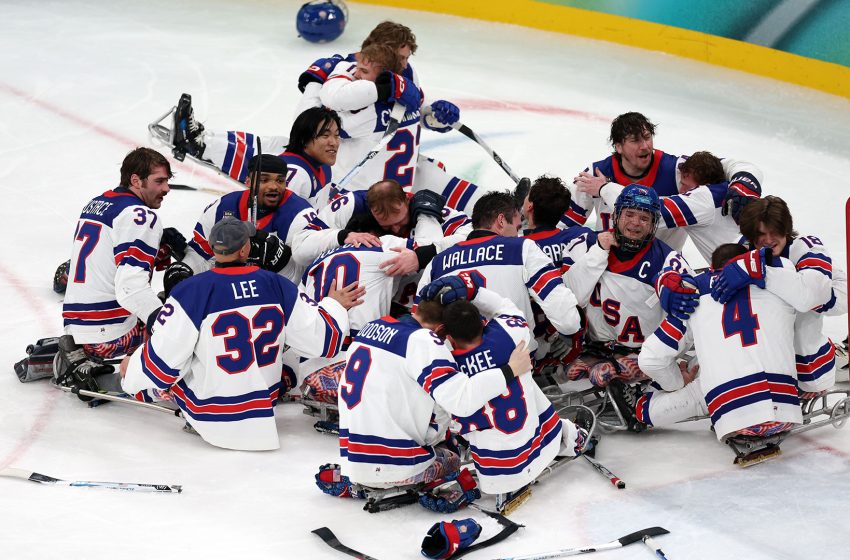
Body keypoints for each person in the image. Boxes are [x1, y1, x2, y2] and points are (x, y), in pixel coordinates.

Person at [120, 216, 365, 451]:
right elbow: (322, 342)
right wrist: (333, 305)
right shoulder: (276, 284)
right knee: (290, 357)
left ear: (214, 249)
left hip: (211, 418)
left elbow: (162, 365)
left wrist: (131, 371)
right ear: (245, 249)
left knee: (169, 357)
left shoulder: (190, 290)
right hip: (263, 416)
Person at [333, 293, 532, 489]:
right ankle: (426, 488)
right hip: (395, 465)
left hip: (352, 460)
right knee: (452, 456)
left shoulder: (374, 325)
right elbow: (461, 401)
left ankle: (356, 481)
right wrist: (510, 370)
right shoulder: (424, 340)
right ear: (441, 328)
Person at [612, 244, 803, 441]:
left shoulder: (693, 292)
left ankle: (643, 411)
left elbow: (651, 359)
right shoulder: (778, 277)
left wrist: (677, 381)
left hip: (735, 419)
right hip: (787, 411)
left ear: (712, 268)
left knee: (706, 379)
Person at [429, 276, 592, 494]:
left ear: (447, 335)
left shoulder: (446, 365)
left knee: (451, 410)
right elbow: (505, 307)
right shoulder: (511, 334)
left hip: (495, 472)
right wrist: (474, 291)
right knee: (525, 384)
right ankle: (572, 438)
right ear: (482, 322)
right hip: (538, 446)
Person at [55, 148, 176, 393]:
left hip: (77, 328)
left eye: (167, 181)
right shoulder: (141, 216)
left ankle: (76, 354)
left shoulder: (98, 202)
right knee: (185, 312)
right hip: (113, 337)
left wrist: (159, 250)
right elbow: (130, 289)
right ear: (135, 180)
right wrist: (165, 326)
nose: (166, 189)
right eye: (159, 181)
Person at [562, 184, 694, 388]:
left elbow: (691, 315)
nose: (635, 223)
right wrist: (598, 252)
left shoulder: (667, 261)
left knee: (600, 375)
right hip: (599, 347)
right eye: (629, 214)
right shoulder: (588, 244)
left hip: (641, 351)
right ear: (616, 214)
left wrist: (663, 357)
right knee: (571, 371)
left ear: (653, 224)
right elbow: (569, 298)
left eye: (644, 218)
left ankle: (639, 388)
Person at [569, 112, 762, 251]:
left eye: (647, 137)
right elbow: (563, 226)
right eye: (635, 140)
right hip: (608, 265)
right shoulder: (595, 174)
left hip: (661, 272)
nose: (645, 146)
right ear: (618, 146)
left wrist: (743, 184)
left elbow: (738, 166)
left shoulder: (679, 170)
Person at [417, 191, 582, 349]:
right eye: (517, 228)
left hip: (458, 370)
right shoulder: (522, 248)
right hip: (516, 364)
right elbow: (567, 321)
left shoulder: (437, 262)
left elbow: (420, 328)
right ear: (501, 221)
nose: (519, 234)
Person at [179, 154, 348, 285]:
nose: (274, 186)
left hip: (275, 295)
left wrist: (282, 262)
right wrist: (184, 270)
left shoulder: (298, 213)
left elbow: (312, 270)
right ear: (247, 181)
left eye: (280, 181)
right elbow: (200, 253)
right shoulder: (223, 207)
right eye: (264, 180)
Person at [579, 151, 749, 265]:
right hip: (751, 263)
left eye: (685, 185)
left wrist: (603, 188)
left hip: (745, 270)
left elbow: (649, 210)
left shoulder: (702, 200)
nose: (681, 190)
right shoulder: (722, 190)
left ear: (704, 184)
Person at [171, 100, 341, 209]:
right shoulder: (297, 175)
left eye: (336, 135)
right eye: (325, 136)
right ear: (305, 138)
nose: (334, 142)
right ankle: (200, 141)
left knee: (270, 148)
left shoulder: (322, 167)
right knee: (269, 147)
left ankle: (201, 142)